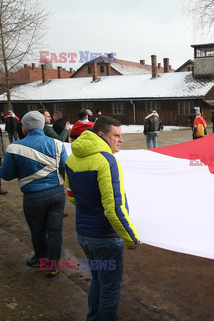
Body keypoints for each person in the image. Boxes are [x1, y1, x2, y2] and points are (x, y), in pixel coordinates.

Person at [65, 116, 140, 320]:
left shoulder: (71, 159)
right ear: (101, 135)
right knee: (110, 289)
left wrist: (89, 208)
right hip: (105, 238)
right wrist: (131, 238)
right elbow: (114, 208)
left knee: (97, 281)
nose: (121, 140)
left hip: (84, 234)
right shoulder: (107, 161)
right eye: (116, 135)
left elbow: (71, 196)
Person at [0, 111, 67, 277]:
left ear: (25, 126)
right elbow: (65, 168)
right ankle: (52, 266)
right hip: (57, 194)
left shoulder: (14, 147)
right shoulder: (57, 144)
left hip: (33, 197)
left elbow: (6, 174)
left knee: (37, 230)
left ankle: (39, 258)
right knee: (55, 231)